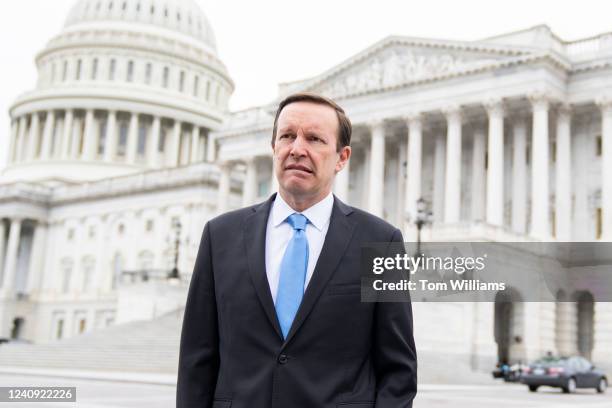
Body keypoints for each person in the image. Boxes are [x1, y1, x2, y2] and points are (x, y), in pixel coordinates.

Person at [176, 92, 417, 408]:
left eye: (315, 139)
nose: (297, 149)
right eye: (287, 136)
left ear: (342, 157)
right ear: (274, 147)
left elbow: (398, 371)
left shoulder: (381, 243)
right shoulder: (220, 236)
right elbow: (197, 358)